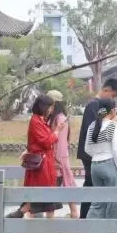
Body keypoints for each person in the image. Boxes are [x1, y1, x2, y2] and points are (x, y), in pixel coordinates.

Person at [78, 100, 117, 233]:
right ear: (112, 111)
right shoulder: (113, 125)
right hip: (109, 164)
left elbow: (86, 149)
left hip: (94, 165)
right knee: (114, 201)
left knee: (97, 201)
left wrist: (97, 155)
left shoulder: (92, 125)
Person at [8, 95, 65, 218]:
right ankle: (23, 213)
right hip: (42, 165)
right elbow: (46, 142)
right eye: (50, 107)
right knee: (45, 194)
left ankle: (21, 213)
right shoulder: (36, 121)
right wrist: (57, 131)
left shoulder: (39, 121)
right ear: (44, 107)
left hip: (45, 162)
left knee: (41, 194)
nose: (51, 110)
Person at [77, 78, 117, 219]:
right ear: (106, 89)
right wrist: (112, 125)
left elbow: (100, 126)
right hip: (92, 154)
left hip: (96, 154)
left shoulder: (99, 105)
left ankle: (93, 221)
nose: (113, 99)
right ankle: (85, 220)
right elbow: (93, 130)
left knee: (96, 188)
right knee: (92, 187)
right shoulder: (93, 105)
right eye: (113, 95)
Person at [45, 90, 78, 218]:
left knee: (55, 188)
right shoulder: (59, 118)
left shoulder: (59, 119)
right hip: (61, 157)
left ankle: (52, 218)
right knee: (67, 184)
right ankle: (73, 213)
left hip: (58, 158)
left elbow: (60, 142)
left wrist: (56, 160)